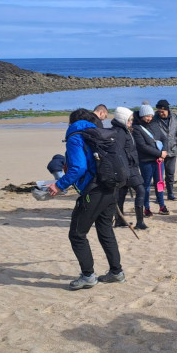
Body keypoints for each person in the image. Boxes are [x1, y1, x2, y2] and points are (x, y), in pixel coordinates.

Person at [47, 108, 125, 290]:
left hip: (94, 190)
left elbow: (79, 168)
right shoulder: (101, 134)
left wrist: (59, 185)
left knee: (77, 234)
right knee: (105, 230)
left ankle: (88, 276)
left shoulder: (76, 136)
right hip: (111, 187)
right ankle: (116, 272)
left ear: (72, 122)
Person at [111, 106, 147, 230]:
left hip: (129, 167)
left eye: (131, 119)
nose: (131, 121)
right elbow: (118, 153)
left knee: (122, 194)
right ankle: (140, 222)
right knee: (141, 190)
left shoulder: (124, 130)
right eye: (129, 119)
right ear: (123, 119)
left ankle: (119, 220)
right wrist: (124, 170)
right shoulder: (120, 132)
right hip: (128, 168)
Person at [131, 104, 170, 217]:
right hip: (146, 161)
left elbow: (164, 138)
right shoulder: (137, 128)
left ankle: (162, 206)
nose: (149, 118)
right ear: (142, 115)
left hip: (159, 160)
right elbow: (142, 146)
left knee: (160, 184)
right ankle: (146, 207)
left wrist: (164, 152)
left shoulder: (154, 124)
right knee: (146, 186)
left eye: (151, 116)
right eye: (147, 116)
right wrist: (159, 153)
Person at [150, 99, 177, 201]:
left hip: (172, 151)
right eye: (159, 111)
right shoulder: (154, 119)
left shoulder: (175, 118)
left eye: (162, 111)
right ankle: (159, 196)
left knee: (170, 174)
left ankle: (170, 193)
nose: (161, 113)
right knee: (159, 175)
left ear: (167, 110)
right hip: (158, 152)